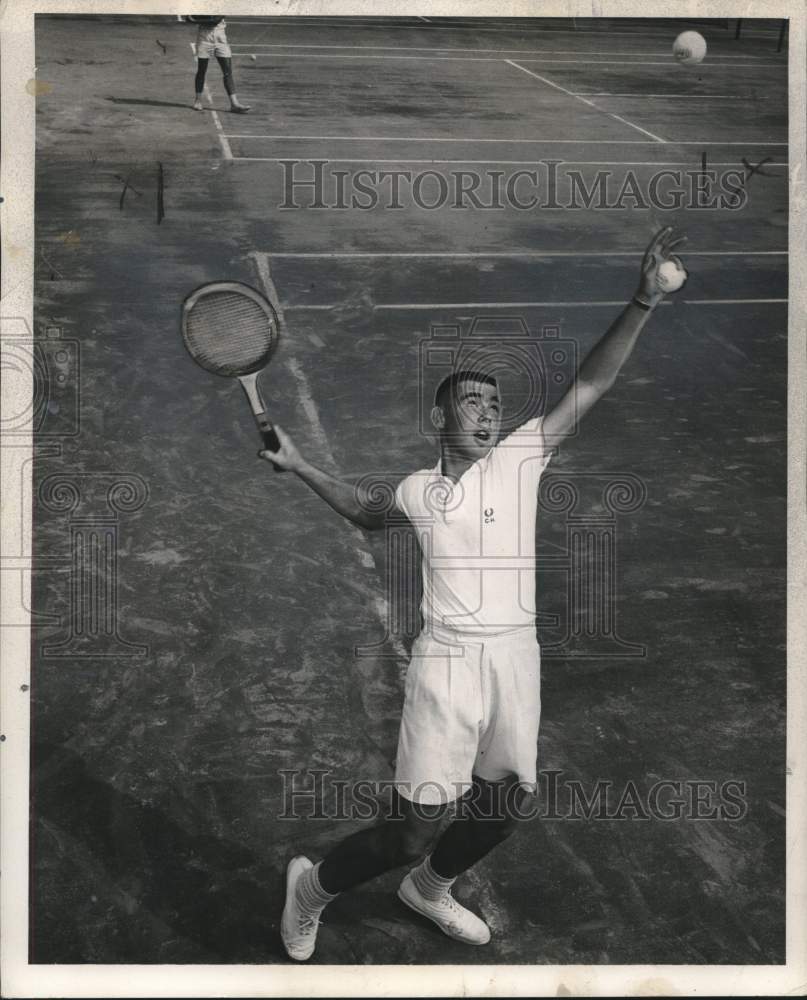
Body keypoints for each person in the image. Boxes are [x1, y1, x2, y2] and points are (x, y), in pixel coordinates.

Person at [261, 227, 686, 961]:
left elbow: (591, 383)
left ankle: (427, 889)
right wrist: (298, 463)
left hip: (514, 660)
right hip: (448, 666)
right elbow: (366, 515)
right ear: (440, 419)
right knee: (413, 826)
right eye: (470, 403)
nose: (487, 413)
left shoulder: (523, 456)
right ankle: (312, 889)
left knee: (502, 808)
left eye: (493, 402)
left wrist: (642, 301)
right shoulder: (418, 489)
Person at [186, 15, 250, 114]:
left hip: (220, 38)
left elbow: (215, 20)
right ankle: (198, 101)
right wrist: (195, 18)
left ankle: (234, 104)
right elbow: (188, 17)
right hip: (204, 38)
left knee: (227, 71)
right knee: (202, 70)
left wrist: (195, 19)